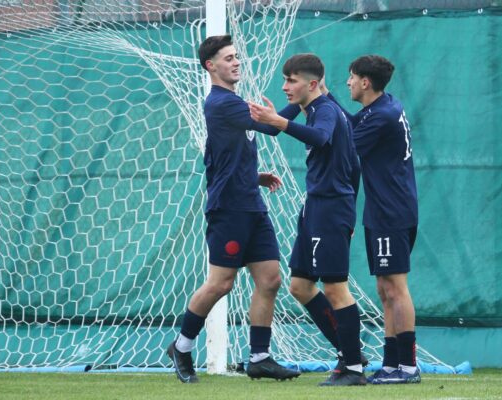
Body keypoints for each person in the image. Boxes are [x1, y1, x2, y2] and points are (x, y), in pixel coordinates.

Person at [166, 34, 301, 383]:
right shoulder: (220, 103)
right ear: (211, 66)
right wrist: (303, 99)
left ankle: (260, 357)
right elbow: (272, 128)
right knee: (221, 283)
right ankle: (181, 346)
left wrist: (253, 177)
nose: (236, 62)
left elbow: (221, 157)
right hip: (229, 208)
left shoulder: (233, 102)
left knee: (270, 279)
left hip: (251, 204)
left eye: (236, 56)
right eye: (228, 58)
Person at [249, 54, 365, 386]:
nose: (285, 87)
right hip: (315, 206)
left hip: (330, 207)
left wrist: (280, 122)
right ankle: (349, 352)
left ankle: (353, 368)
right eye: (285, 80)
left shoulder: (326, 109)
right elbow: (270, 129)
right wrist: (246, 116)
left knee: (335, 287)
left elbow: (320, 138)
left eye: (292, 81)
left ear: (312, 84)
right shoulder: (308, 106)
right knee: (300, 286)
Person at [319, 55, 420, 384]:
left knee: (396, 287)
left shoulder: (383, 116)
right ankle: (391, 364)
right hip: (383, 209)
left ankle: (408, 366)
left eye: (351, 77)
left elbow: (343, 143)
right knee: (384, 288)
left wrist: (291, 123)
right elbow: (350, 125)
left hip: (392, 211)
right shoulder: (383, 106)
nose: (347, 82)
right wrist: (326, 97)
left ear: (365, 82)